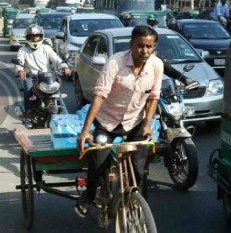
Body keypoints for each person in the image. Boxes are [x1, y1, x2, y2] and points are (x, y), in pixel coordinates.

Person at [75, 25, 164, 218]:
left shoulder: (156, 65)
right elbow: (99, 96)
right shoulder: (115, 62)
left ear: (154, 47)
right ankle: (88, 197)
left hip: (135, 122)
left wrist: (148, 124)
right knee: (98, 162)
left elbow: (153, 98)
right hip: (107, 121)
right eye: (140, 46)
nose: (145, 51)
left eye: (149, 47)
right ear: (131, 44)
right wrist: (85, 131)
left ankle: (134, 201)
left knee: (139, 170)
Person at [15, 24, 72, 127]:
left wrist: (64, 67)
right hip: (31, 77)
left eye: (37, 35)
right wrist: (20, 71)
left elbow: (56, 59)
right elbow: (19, 62)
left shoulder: (46, 48)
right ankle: (28, 115)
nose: (35, 38)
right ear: (28, 37)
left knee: (58, 96)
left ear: (41, 36)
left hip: (47, 77)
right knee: (28, 89)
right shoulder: (23, 50)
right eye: (32, 36)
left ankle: (67, 119)